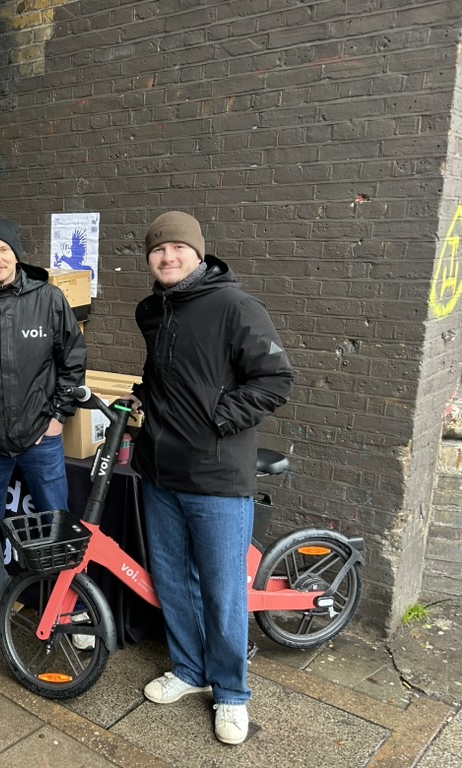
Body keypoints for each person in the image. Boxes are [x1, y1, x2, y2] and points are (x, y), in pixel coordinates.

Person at [130, 211, 294, 746]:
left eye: (178, 248)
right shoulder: (152, 311)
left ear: (198, 253)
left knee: (223, 591)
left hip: (217, 476)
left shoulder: (234, 305)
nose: (168, 256)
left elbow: (275, 378)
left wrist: (218, 418)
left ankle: (231, 692)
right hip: (158, 472)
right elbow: (170, 373)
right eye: (158, 249)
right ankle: (187, 669)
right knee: (173, 579)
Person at [0, 219, 87, 634]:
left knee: (56, 527)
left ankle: (65, 609)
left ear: (17, 254)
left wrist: (60, 418)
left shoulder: (50, 300)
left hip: (41, 441)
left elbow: (73, 363)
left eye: (3, 250)